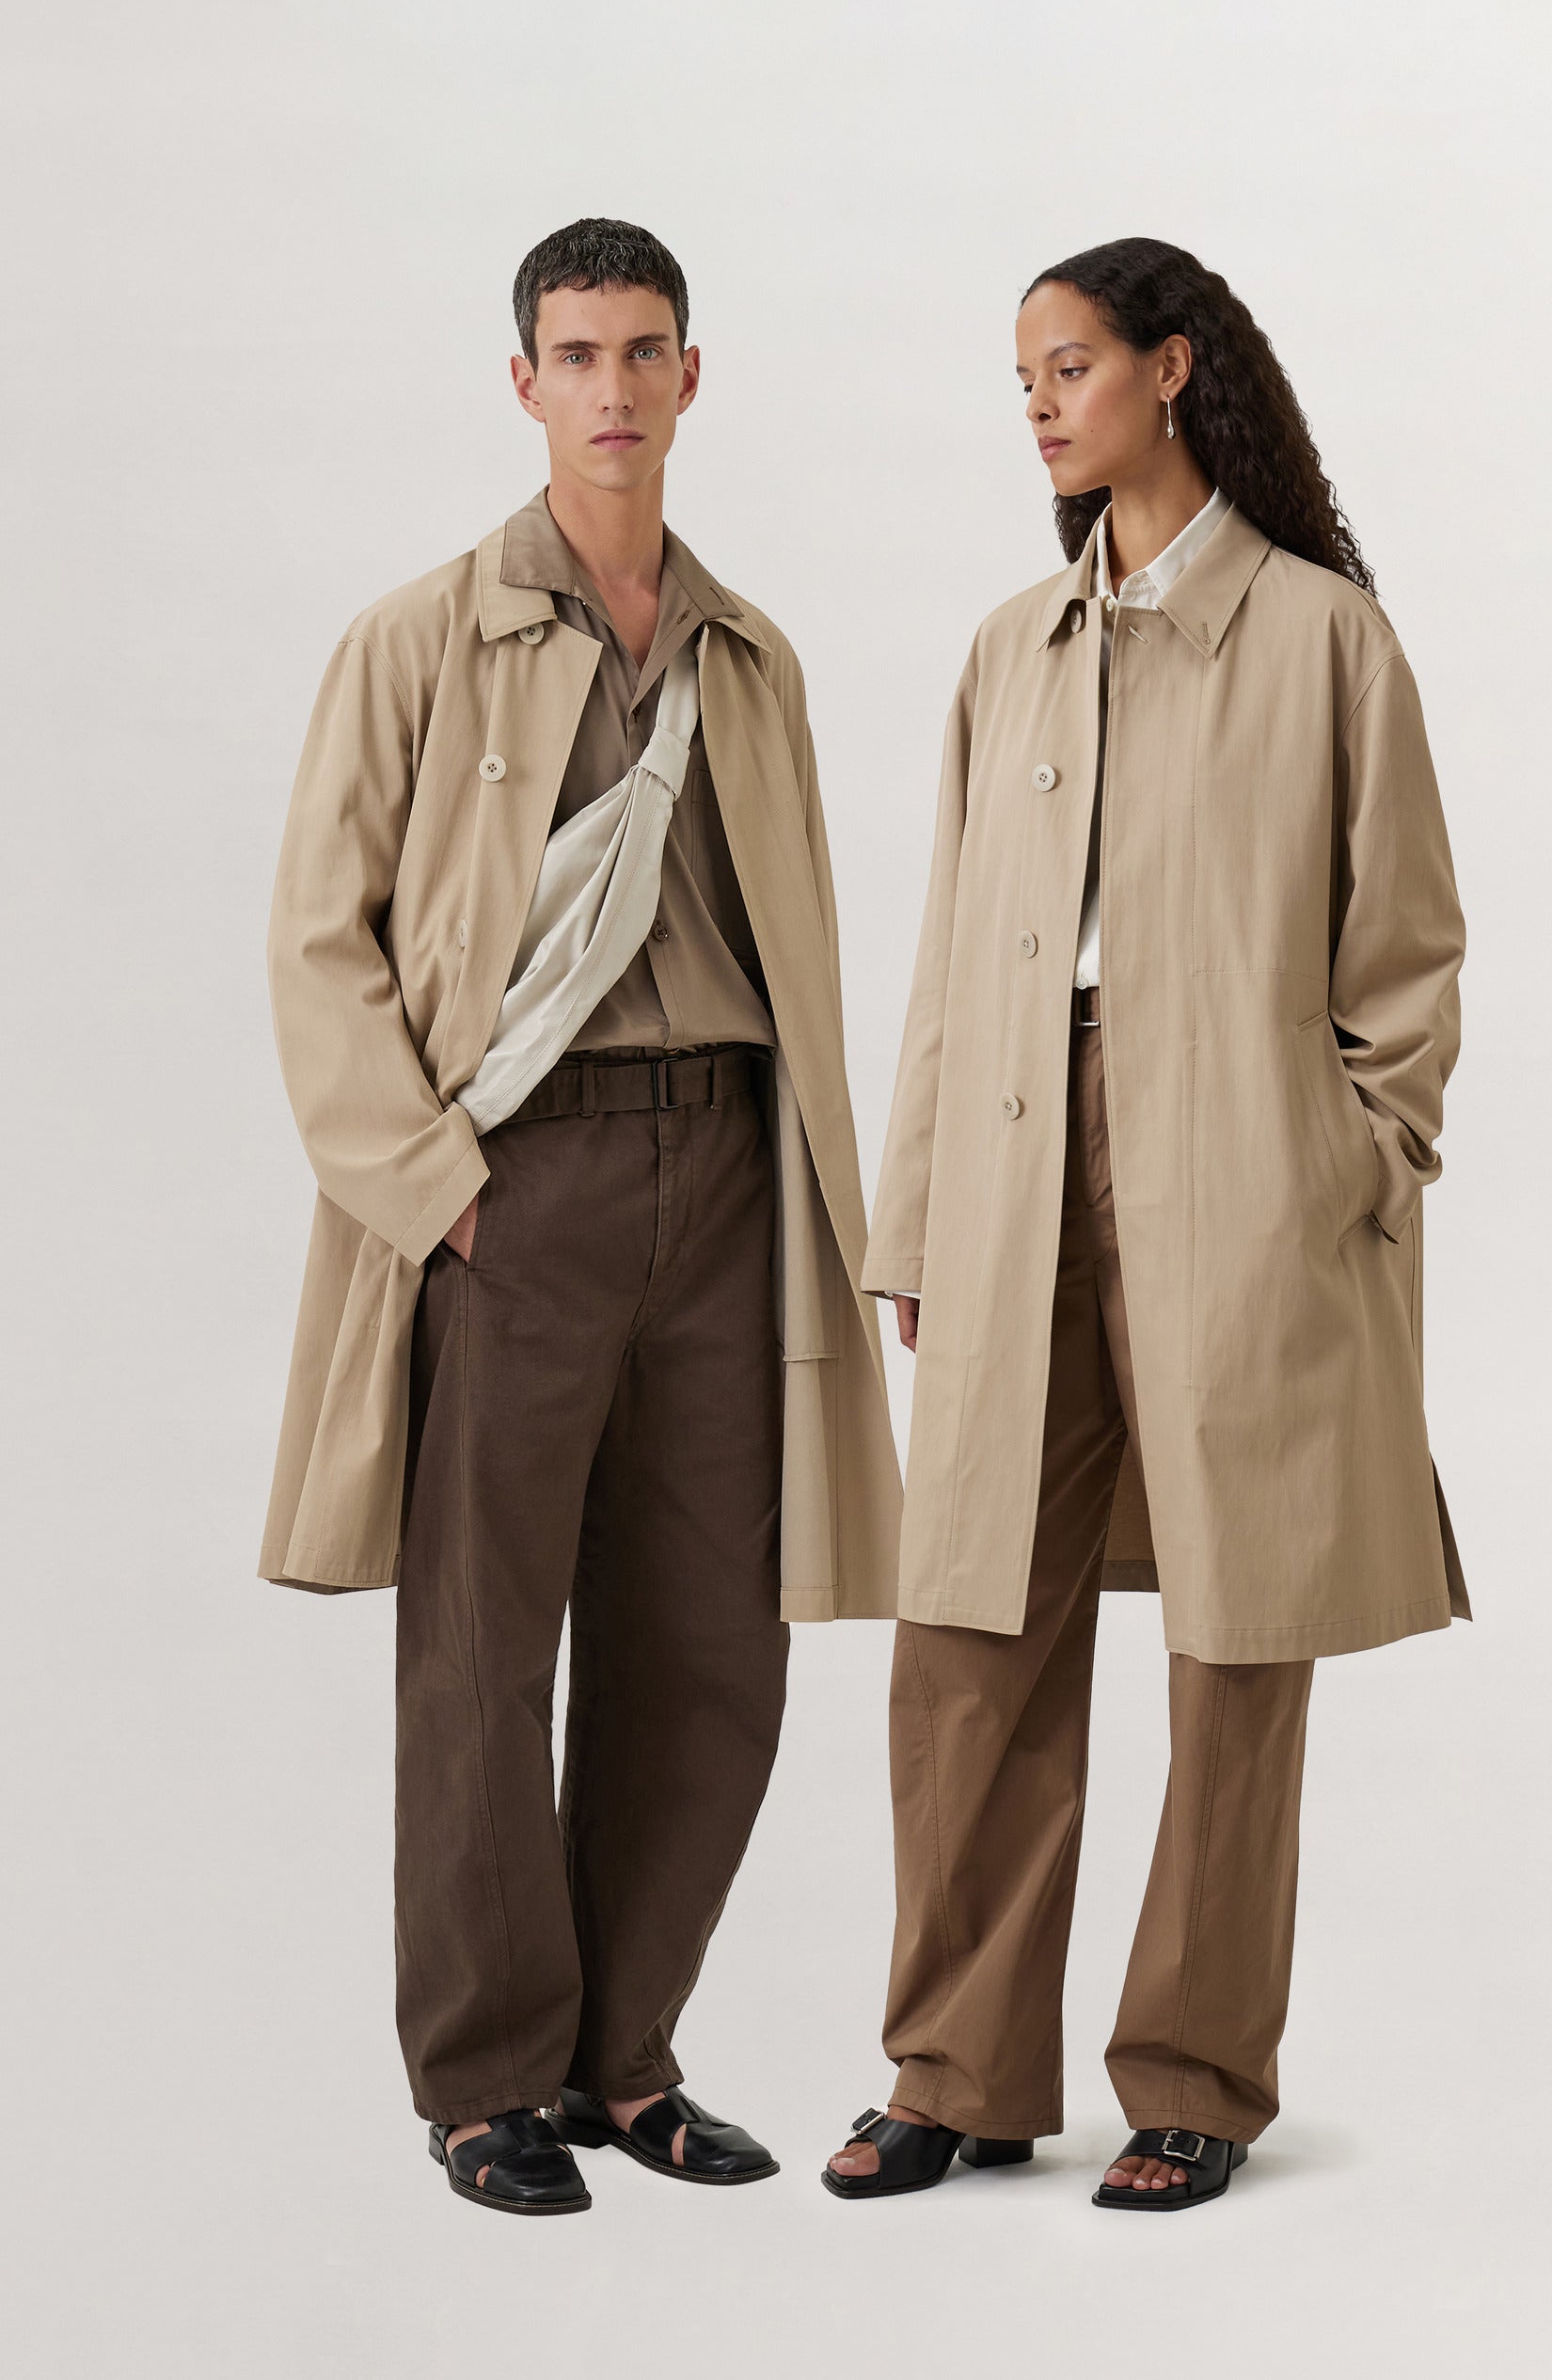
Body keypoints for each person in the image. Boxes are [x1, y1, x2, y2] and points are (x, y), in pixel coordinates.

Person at [261, 216, 901, 2214]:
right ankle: (483, 2079)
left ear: (690, 378)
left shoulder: (750, 659)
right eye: (575, 352)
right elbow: (318, 950)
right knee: (482, 1644)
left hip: (728, 1175)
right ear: (523, 382)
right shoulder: (418, 639)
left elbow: (800, 956)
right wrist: (444, 1197)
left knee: (712, 1641)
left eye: (643, 351)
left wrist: (837, 1207)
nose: (611, 388)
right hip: (515, 1186)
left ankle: (625, 2059)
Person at [825, 237, 1466, 2211]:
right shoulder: (1008, 647)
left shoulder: (1323, 639)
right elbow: (951, 955)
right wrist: (915, 1215)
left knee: (1232, 1635)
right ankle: (955, 2069)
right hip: (1016, 1167)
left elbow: (1406, 957)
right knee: (967, 1627)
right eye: (1021, 374)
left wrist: (1347, 1161)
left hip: (1243, 1178)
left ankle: (1194, 2075)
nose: (1036, 402)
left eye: (1070, 364)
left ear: (1172, 370)